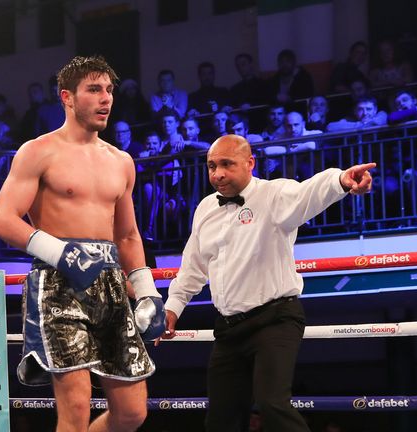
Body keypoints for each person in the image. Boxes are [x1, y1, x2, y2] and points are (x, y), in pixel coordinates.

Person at [0, 55, 165, 431]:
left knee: (133, 412)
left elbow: (127, 234)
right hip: (57, 285)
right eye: (94, 90)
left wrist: (147, 290)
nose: (106, 99)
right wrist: (61, 252)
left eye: (109, 90)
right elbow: (2, 220)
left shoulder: (121, 161)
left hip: (111, 284)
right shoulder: (39, 151)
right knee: (76, 408)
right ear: (67, 97)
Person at [159, 134, 375, 432]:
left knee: (272, 404)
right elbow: (193, 266)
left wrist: (341, 180)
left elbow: (309, 193)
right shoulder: (206, 209)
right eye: (211, 166)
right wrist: (172, 308)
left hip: (275, 320)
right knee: (221, 419)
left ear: (250, 163)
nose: (217, 173)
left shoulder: (275, 195)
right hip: (229, 328)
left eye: (226, 164)